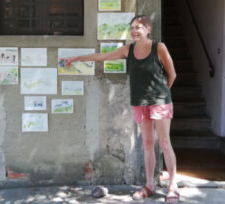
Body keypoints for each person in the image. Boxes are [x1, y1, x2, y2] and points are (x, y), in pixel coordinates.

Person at [62, 15, 179, 203]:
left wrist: (163, 95)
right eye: (132, 27)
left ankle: (173, 187)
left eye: (138, 27)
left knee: (164, 143)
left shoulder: (159, 47)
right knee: (148, 144)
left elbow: (172, 74)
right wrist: (76, 58)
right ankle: (150, 184)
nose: (134, 31)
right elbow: (102, 57)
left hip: (160, 101)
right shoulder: (128, 49)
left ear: (148, 29)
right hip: (139, 102)